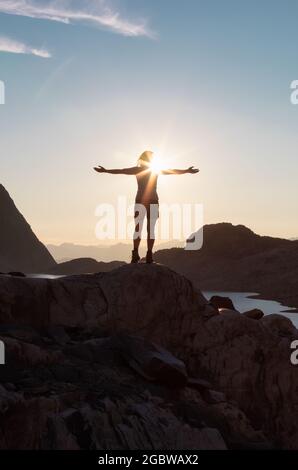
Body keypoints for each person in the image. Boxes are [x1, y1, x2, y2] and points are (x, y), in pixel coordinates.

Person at [94, 150, 199, 264]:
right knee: (150, 229)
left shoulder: (138, 170)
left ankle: (136, 254)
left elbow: (121, 171)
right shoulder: (155, 170)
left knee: (138, 228)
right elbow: (172, 171)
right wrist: (187, 171)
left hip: (140, 201)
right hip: (153, 201)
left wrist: (105, 171)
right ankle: (148, 254)